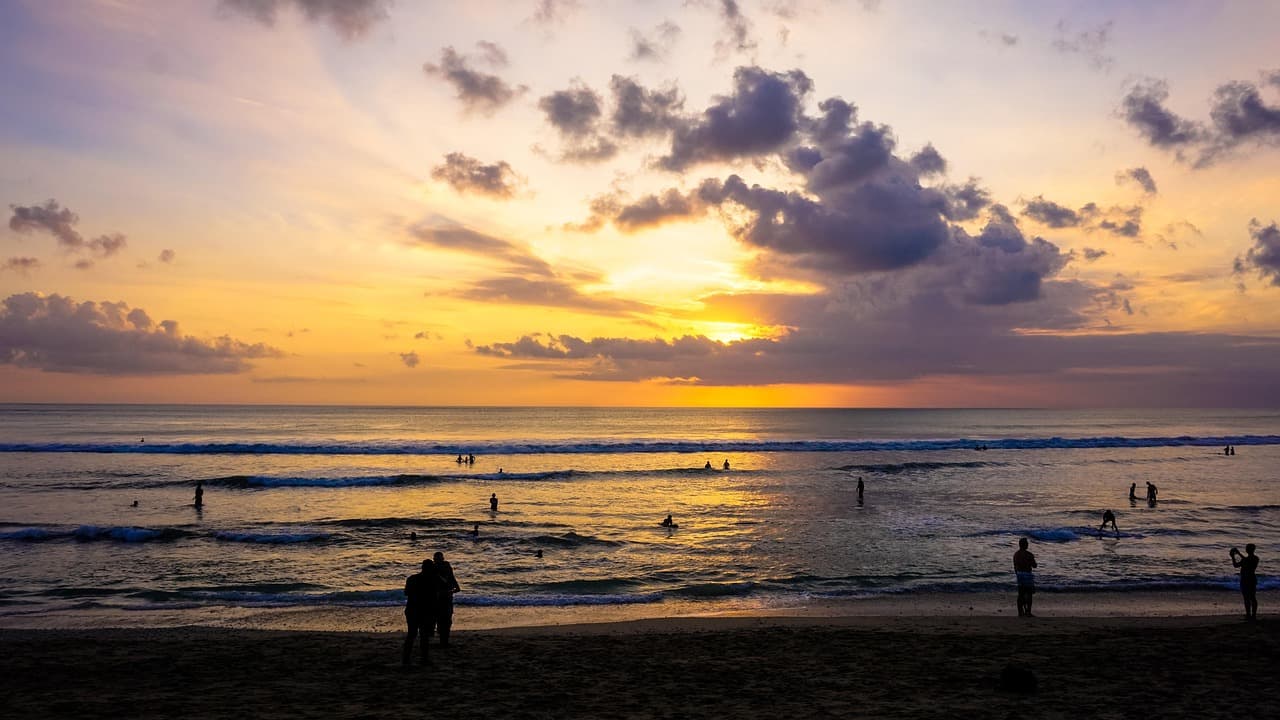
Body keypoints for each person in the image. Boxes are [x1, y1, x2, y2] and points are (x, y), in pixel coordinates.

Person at [402, 558, 441, 668]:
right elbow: (436, 596)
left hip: (411, 610)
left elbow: (406, 593)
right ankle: (424, 659)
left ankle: (406, 659)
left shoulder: (412, 578)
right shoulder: (433, 580)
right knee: (424, 636)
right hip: (425, 611)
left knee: (411, 635)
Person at [433, 552, 461, 646]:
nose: (438, 561)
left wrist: (452, 590)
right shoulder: (435, 569)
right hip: (439, 599)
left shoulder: (444, 567)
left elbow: (453, 580)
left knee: (445, 620)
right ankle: (443, 641)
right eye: (437, 559)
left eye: (439, 559)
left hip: (445, 598)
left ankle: (444, 641)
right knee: (442, 620)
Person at [1229, 544, 1259, 621]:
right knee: (1248, 598)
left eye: (1247, 548)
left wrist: (1238, 553)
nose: (1246, 549)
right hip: (1247, 579)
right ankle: (1249, 615)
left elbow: (1248, 562)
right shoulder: (1247, 559)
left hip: (1249, 580)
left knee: (1251, 598)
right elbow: (1236, 565)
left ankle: (1252, 615)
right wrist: (1233, 557)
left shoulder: (1255, 558)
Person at [1013, 538, 1037, 617]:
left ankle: (1020, 612)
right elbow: (1034, 565)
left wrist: (1017, 574)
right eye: (1027, 543)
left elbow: (1015, 567)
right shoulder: (1029, 554)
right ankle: (1028, 612)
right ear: (1025, 545)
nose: (1028, 544)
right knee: (1029, 594)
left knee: (1021, 594)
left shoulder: (1016, 554)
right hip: (1027, 574)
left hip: (1019, 575)